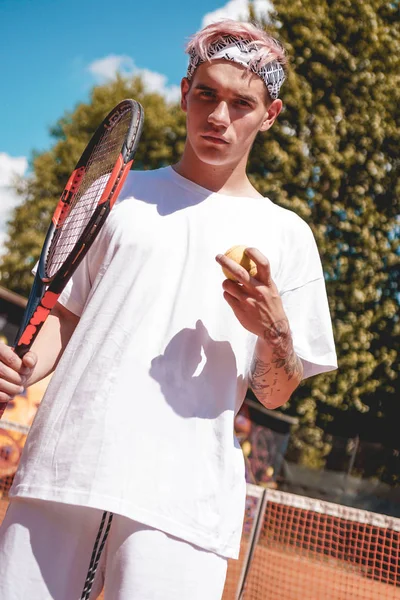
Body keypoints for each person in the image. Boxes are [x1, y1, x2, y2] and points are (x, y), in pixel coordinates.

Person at [0, 19, 337, 600]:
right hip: (62, 473)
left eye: (241, 103)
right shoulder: (117, 194)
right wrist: (21, 367)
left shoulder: (288, 236)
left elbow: (277, 392)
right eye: (206, 94)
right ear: (184, 93)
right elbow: (65, 314)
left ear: (270, 115)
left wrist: (275, 333)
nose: (218, 117)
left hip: (184, 507)